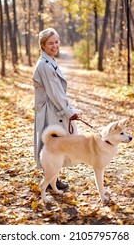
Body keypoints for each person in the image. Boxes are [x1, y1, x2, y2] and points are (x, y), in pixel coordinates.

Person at [32, 27, 78, 189]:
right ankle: (52, 181)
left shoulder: (49, 61)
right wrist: (69, 112)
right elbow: (55, 93)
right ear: (42, 45)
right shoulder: (44, 65)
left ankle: (52, 179)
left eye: (56, 42)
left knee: (53, 145)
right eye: (50, 43)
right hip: (49, 111)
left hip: (52, 109)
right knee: (51, 145)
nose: (54, 46)